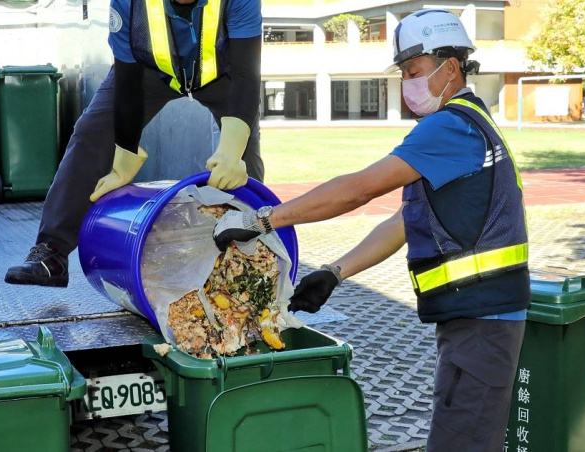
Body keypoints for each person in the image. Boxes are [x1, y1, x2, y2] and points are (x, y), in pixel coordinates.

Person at [213, 10, 528, 451]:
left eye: (414, 72)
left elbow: (356, 190)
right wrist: (335, 273)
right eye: (403, 74)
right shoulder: (468, 122)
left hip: (482, 320)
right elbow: (405, 221)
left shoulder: (450, 126)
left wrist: (261, 219)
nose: (407, 84)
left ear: (451, 68)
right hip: (476, 319)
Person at [5, 0, 264, 287]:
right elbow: (127, 81)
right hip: (148, 72)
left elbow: (246, 74)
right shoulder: (129, 3)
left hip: (224, 74)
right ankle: (52, 252)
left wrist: (231, 150)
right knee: (92, 131)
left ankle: (254, 255)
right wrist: (124, 156)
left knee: (245, 159)